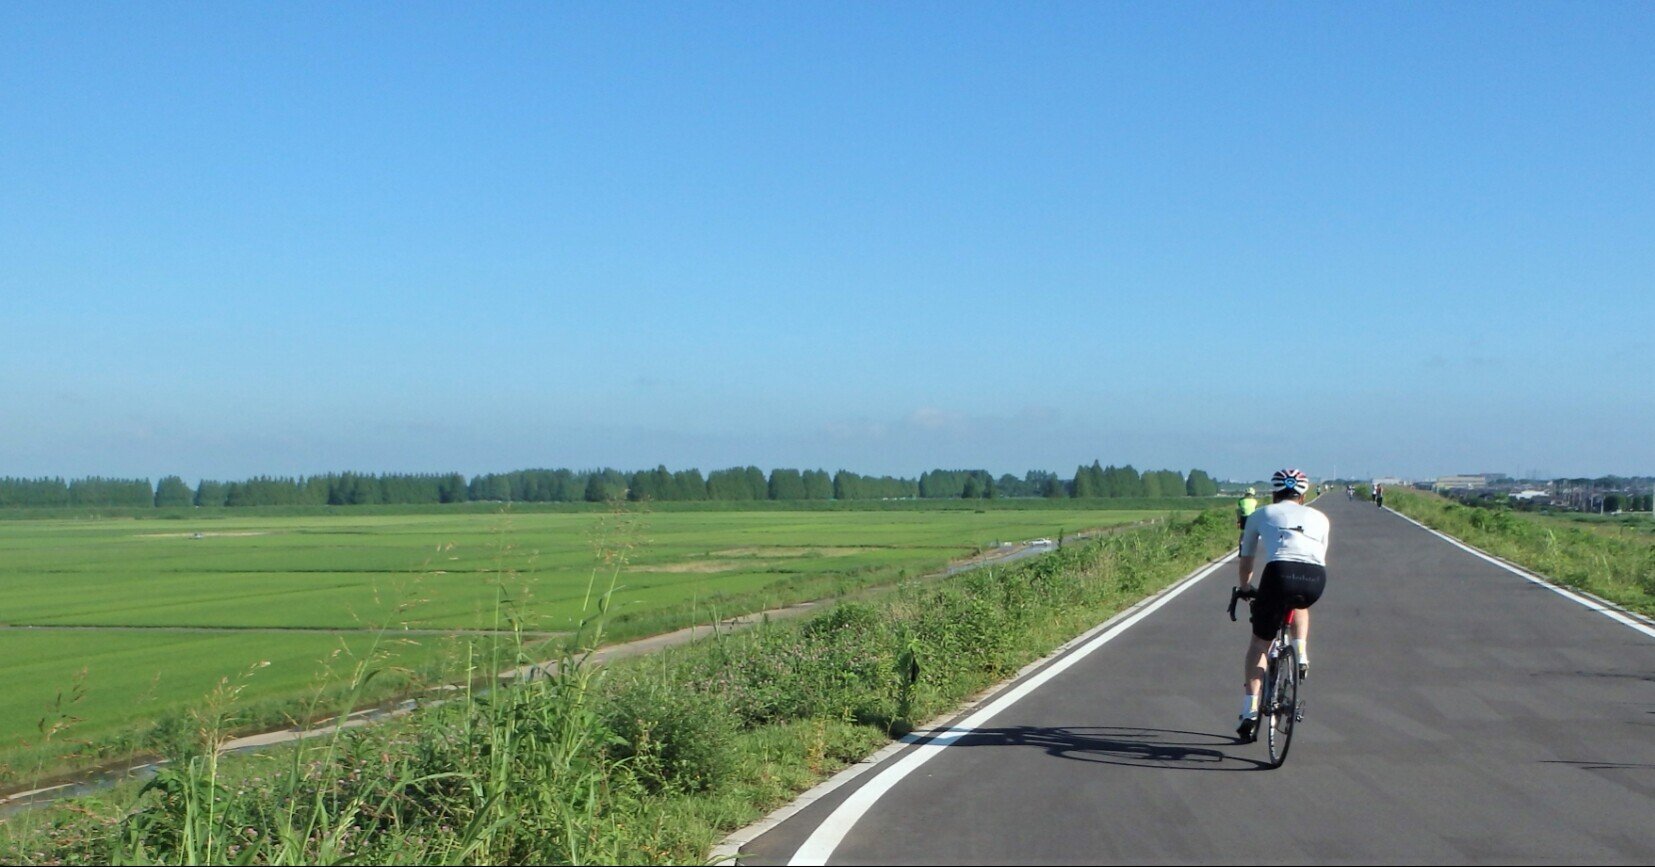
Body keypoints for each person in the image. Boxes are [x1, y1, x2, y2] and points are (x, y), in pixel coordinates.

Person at [1234, 468, 1329, 742]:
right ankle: (1300, 652)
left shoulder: (1260, 515)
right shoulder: (1320, 518)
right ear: (1304, 494)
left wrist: (1244, 587)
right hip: (1314, 578)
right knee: (1299, 602)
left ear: (1274, 492)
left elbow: (1247, 558)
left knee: (1259, 643)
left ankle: (1249, 711)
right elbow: (1316, 555)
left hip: (1278, 574)